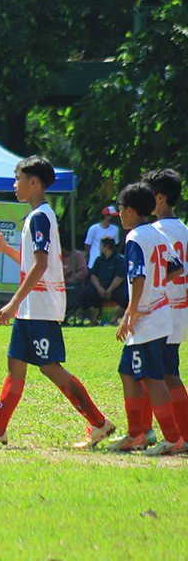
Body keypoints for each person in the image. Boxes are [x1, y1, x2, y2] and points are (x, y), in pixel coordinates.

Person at [0, 156, 115, 447]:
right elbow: (35, 262)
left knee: (50, 368)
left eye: (17, 179)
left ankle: (99, 423)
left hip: (40, 306)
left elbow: (41, 265)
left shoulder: (41, 216)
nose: (14, 184)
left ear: (33, 183)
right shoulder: (37, 216)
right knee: (15, 364)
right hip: (32, 307)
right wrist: (4, 247)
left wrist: (13, 301)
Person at [106, 182, 185, 455]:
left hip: (148, 320)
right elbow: (176, 269)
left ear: (129, 210)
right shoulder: (155, 233)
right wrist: (156, 288)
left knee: (153, 378)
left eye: (120, 210)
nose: (119, 215)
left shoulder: (134, 238)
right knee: (127, 372)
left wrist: (132, 312)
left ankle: (172, 438)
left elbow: (138, 276)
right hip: (158, 315)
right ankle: (135, 435)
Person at [142, 169, 188, 443]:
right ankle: (159, 431)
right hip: (180, 310)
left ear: (159, 198)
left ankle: (169, 434)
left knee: (159, 373)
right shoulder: (184, 229)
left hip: (159, 311)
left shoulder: (153, 232)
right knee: (162, 372)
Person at [78, 237, 127, 325]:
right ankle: (94, 319)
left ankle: (113, 319)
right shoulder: (98, 260)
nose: (100, 247)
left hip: (114, 288)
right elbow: (93, 275)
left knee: (125, 296)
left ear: (106, 246)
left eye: (101, 245)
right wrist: (99, 288)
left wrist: (109, 291)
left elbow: (119, 277)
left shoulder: (118, 259)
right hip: (99, 288)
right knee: (84, 295)